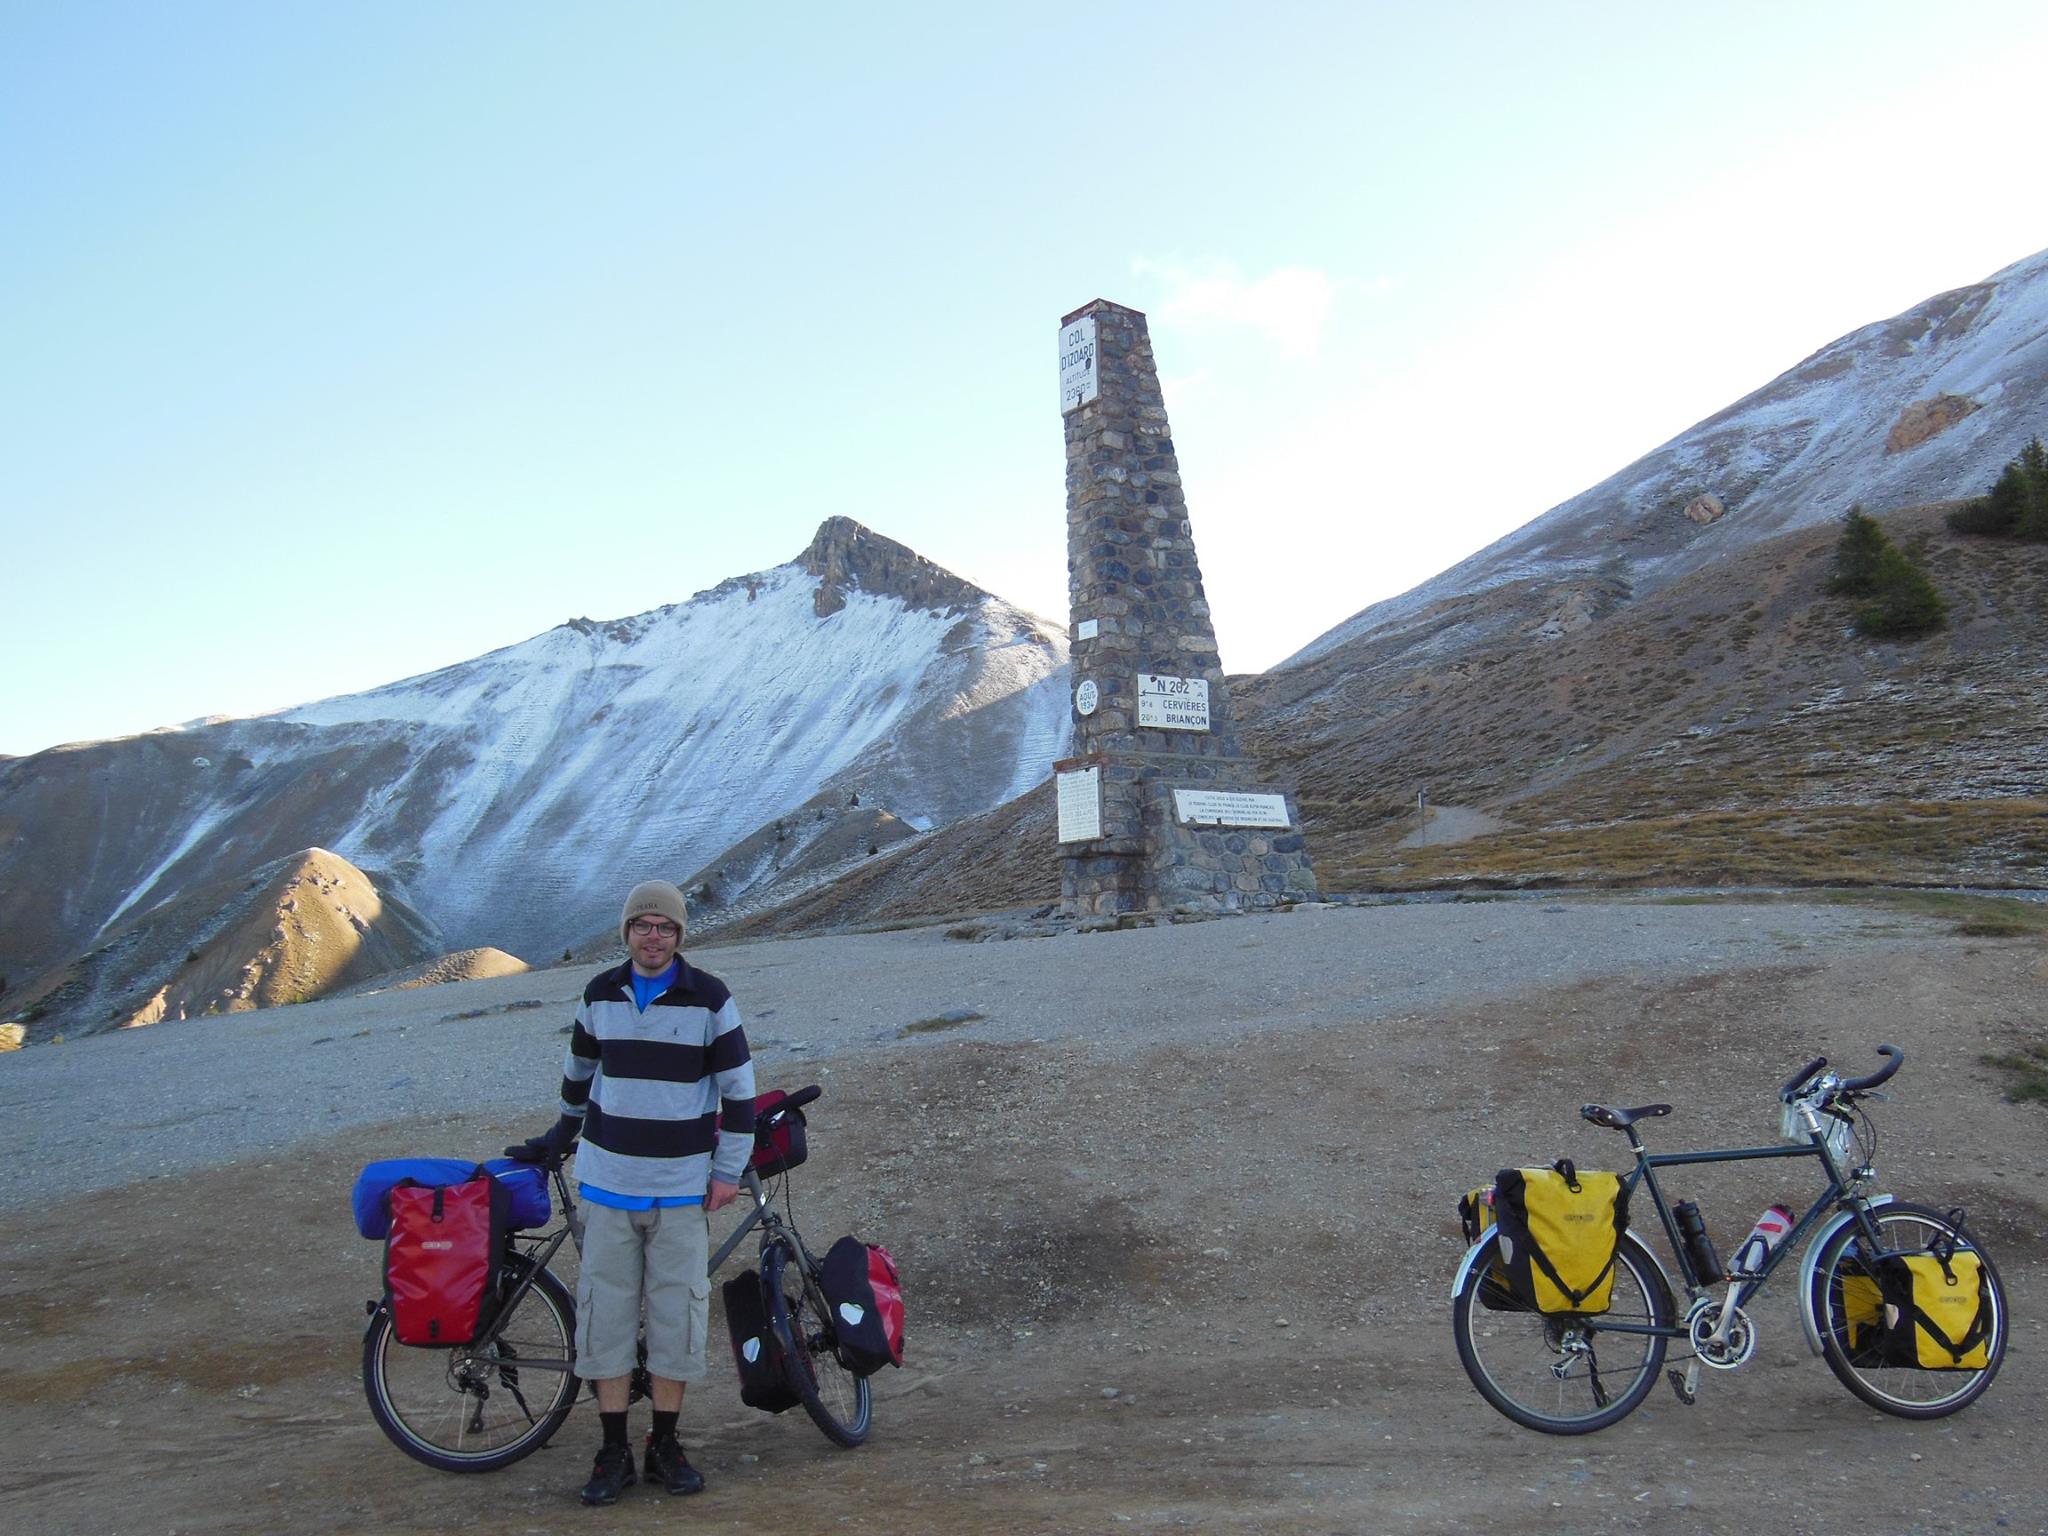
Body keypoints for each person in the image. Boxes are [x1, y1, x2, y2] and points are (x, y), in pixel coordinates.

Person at [513, 879, 757, 1506]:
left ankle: (665, 1445)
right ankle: (613, 1450)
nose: (654, 936)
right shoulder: (599, 994)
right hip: (608, 1185)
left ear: (680, 935)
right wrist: (559, 1137)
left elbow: (740, 1094)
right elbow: (577, 1078)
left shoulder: (710, 998)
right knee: (606, 1319)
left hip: (680, 1190)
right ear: (626, 932)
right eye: (643, 925)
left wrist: (727, 1172)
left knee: (678, 1319)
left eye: (665, 927)